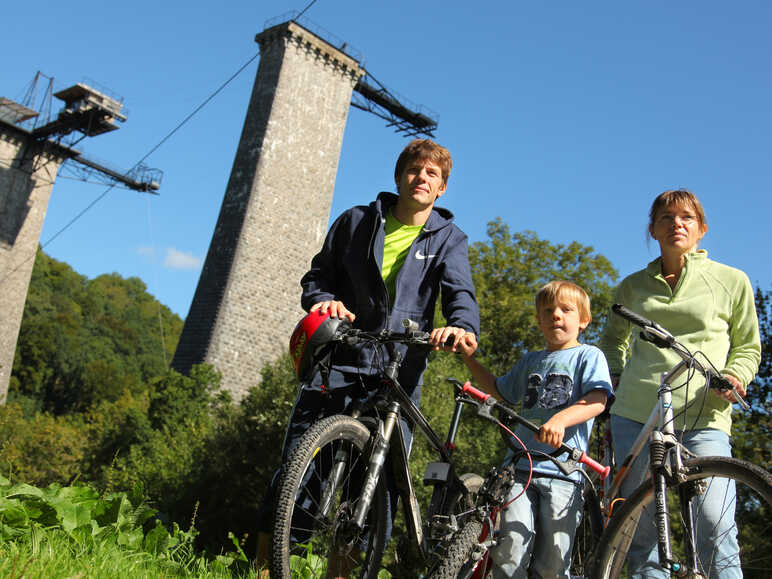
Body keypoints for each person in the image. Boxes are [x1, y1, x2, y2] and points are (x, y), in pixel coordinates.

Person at [256, 138, 480, 570]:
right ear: (399, 176)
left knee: (375, 483)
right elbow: (318, 276)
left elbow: (460, 296)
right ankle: (267, 567)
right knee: (299, 466)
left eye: (432, 174)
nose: (422, 178)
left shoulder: (450, 240)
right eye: (415, 170)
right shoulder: (357, 221)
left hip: (400, 369)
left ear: (442, 189)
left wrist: (461, 327)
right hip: (340, 356)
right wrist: (324, 300)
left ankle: (345, 570)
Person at [598, 189, 761, 578]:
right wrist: (615, 376)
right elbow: (611, 341)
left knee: (714, 522)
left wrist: (736, 374)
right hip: (636, 414)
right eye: (666, 218)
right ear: (653, 229)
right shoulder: (633, 286)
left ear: (701, 228)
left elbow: (748, 346)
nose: (677, 224)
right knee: (640, 531)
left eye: (686, 217)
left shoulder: (731, 281)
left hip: (704, 413)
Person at [457, 280, 613, 578]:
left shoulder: (589, 356)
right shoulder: (530, 361)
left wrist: (560, 420)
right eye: (548, 310)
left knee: (552, 561)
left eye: (566, 310)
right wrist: (468, 359)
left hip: (563, 473)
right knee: (509, 549)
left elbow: (596, 401)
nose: (557, 315)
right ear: (539, 320)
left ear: (583, 320)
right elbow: (500, 390)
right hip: (519, 469)